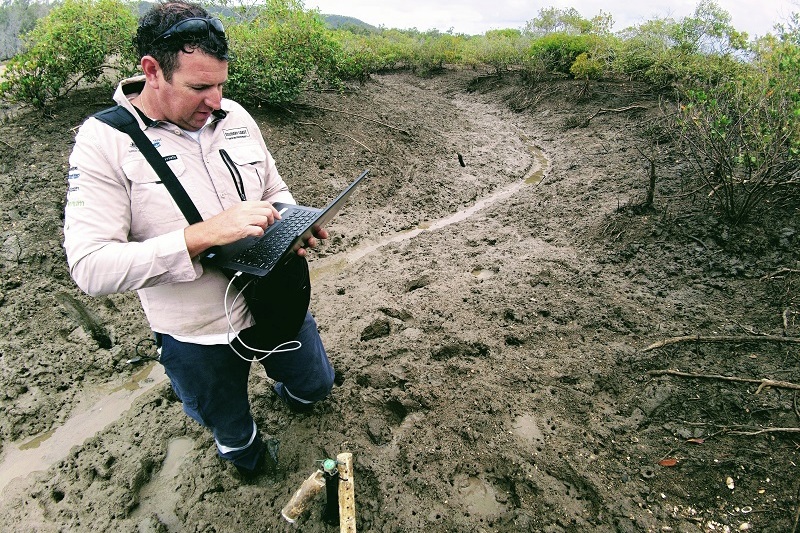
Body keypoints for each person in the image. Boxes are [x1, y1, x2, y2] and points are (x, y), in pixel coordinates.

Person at [63, 1, 335, 479]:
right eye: (199, 87)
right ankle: (247, 457)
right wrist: (200, 236)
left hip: (273, 299)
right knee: (231, 430)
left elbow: (273, 189)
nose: (216, 101)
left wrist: (293, 221)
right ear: (152, 71)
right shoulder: (103, 141)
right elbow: (90, 266)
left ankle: (293, 392)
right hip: (195, 335)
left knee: (315, 386)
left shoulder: (233, 115)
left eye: (221, 84)